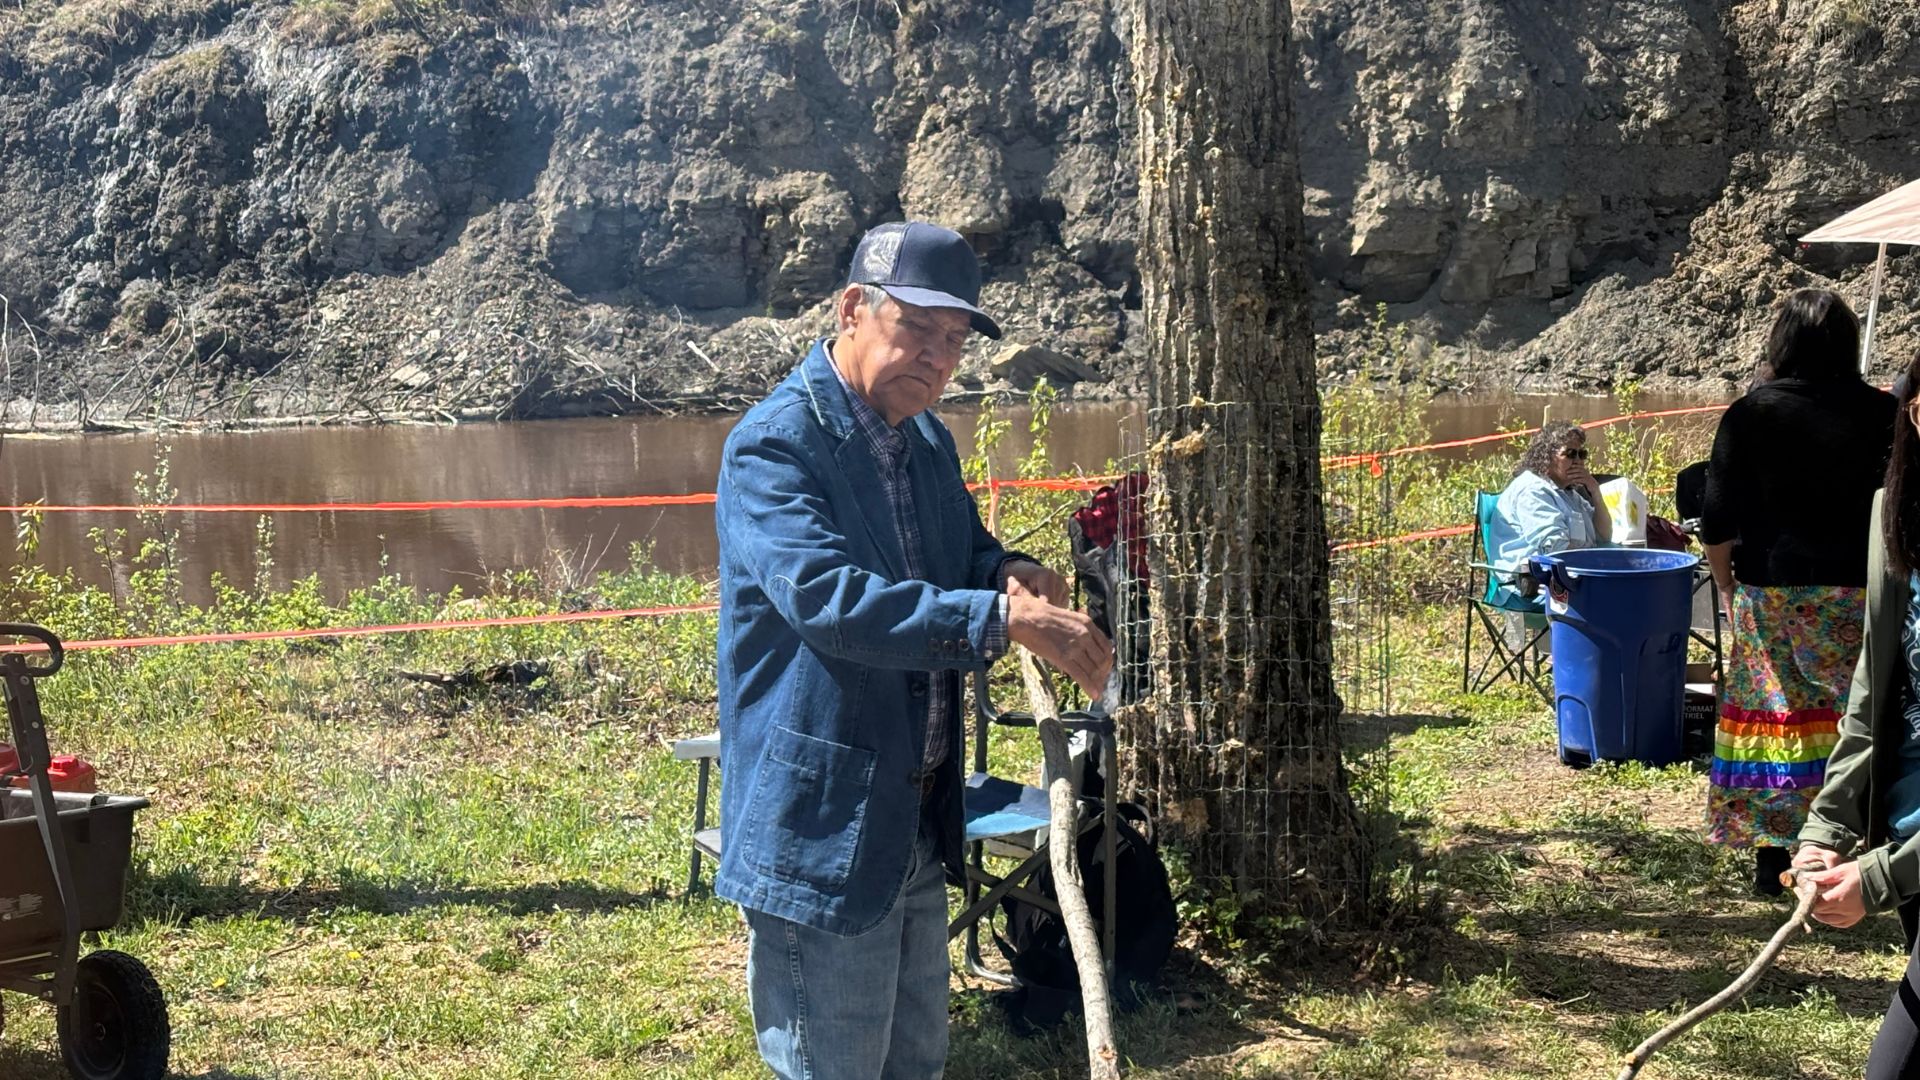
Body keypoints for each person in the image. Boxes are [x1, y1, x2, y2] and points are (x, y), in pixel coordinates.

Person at [713, 220, 1113, 1080]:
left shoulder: (925, 439)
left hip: (918, 814)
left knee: (915, 1067)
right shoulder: (775, 447)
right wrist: (999, 622)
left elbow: (957, 551)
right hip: (823, 826)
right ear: (853, 309)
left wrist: (1005, 569)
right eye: (918, 330)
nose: (937, 357)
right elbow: (831, 602)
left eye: (955, 340)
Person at [1702, 288, 1896, 897]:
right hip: (1865, 594)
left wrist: (1728, 584)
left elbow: (1716, 520)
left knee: (1779, 719)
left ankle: (1775, 856)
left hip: (1773, 592)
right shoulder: (1885, 414)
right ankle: (1872, 849)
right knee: (1863, 716)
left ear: (1779, 344)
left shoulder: (1751, 413)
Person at [1793, 356, 1920, 1078]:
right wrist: (1826, 828)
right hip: (1906, 833)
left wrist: (1877, 880)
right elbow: (1873, 694)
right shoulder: (1893, 514)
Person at [1487, 420, 1613, 598]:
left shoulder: (1569, 494)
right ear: (1547, 456)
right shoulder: (1533, 491)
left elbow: (1605, 535)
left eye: (1582, 454)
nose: (1578, 460)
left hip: (1568, 577)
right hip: (1528, 585)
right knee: (1615, 596)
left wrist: (1595, 491)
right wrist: (1597, 568)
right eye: (1570, 454)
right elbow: (1556, 548)